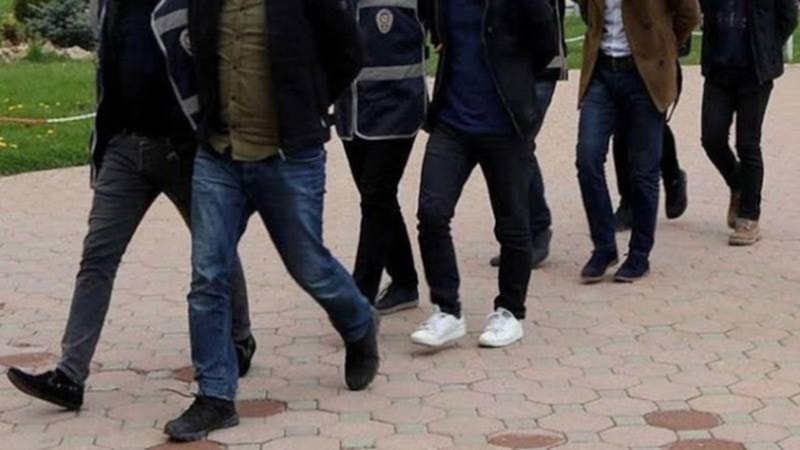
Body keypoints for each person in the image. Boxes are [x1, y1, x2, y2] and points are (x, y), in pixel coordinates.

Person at [5, 0, 256, 412]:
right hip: (125, 148)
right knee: (97, 256)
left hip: (186, 150)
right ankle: (70, 375)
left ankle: (239, 338)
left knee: (214, 250)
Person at [164, 0, 379, 441]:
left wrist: (310, 103)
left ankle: (359, 323)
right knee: (208, 274)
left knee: (309, 265)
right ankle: (215, 396)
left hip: (289, 158)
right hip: (219, 157)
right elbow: (191, 56)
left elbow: (349, 52)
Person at [410, 0, 557, 349]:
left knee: (513, 223)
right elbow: (436, 31)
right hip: (452, 122)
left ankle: (510, 311)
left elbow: (545, 46)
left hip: (505, 123)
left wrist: (515, 81)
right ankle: (447, 310)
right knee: (431, 213)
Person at [574, 0, 700, 283]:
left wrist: (662, 47)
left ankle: (639, 254)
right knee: (587, 159)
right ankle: (604, 247)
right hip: (601, 73)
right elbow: (586, 9)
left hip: (644, 76)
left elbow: (688, 15)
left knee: (644, 171)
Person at [335, 0, 427, 315]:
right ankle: (404, 282)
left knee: (376, 196)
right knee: (379, 197)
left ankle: (359, 297)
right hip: (351, 112)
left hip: (398, 108)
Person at [699, 0, 798, 245]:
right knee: (711, 139)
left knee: (748, 144)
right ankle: (738, 184)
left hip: (755, 73)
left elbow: (788, 16)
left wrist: (768, 45)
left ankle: (749, 216)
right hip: (718, 70)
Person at [488, 0, 568, 270]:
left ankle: (536, 229)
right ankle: (520, 235)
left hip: (540, 68)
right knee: (509, 149)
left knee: (519, 147)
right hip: (506, 67)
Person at [613, 40, 693, 232]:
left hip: (655, 60)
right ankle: (628, 200)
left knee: (652, 123)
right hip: (616, 60)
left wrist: (667, 42)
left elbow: (683, 23)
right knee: (621, 129)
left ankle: (672, 176)